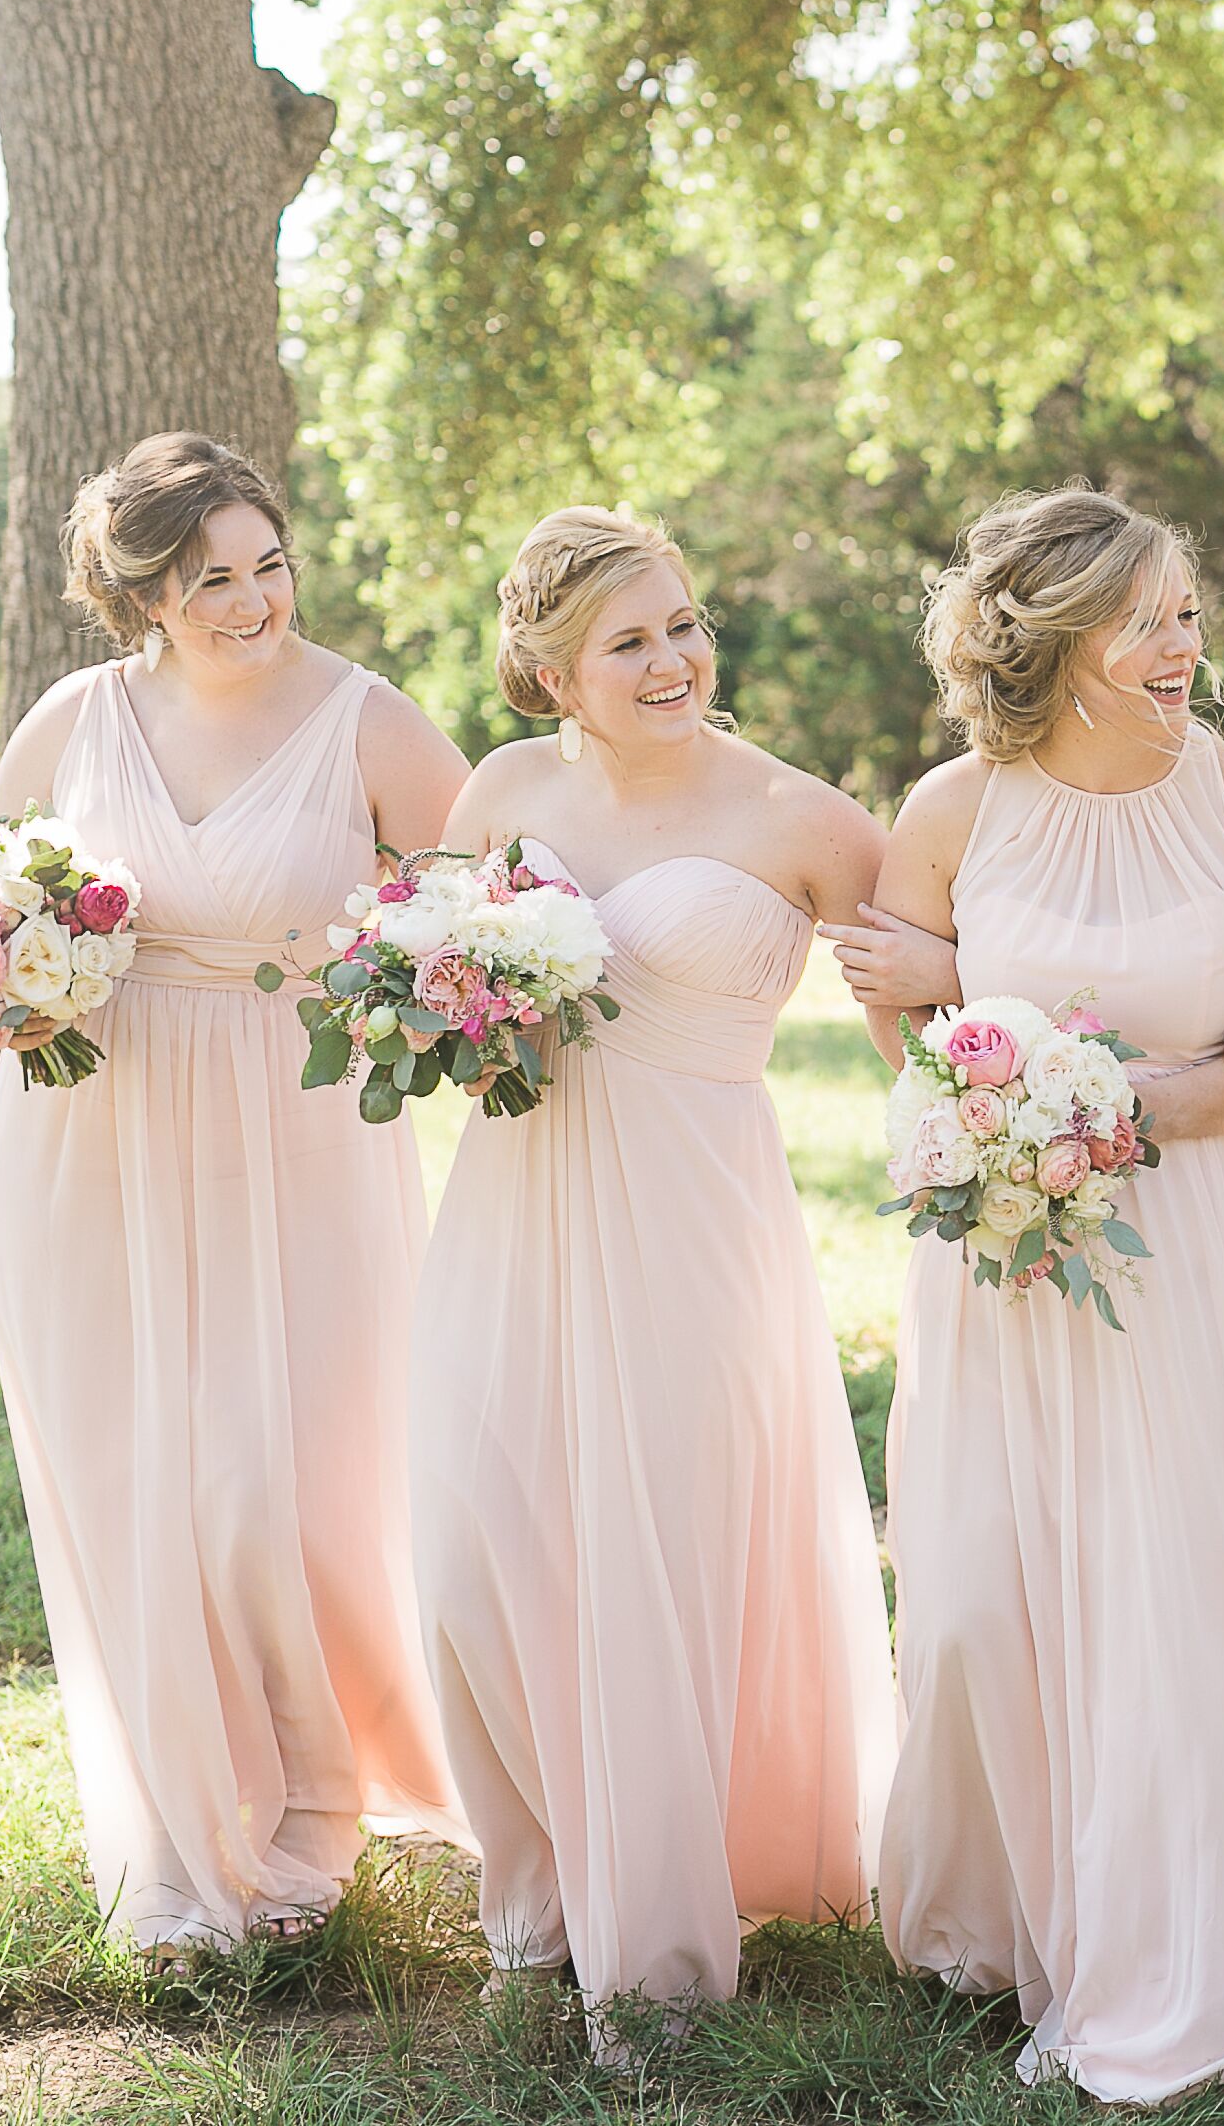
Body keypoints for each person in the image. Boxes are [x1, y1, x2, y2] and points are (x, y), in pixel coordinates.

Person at [836, 485, 1224, 2102]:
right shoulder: (952, 807)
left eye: (1186, 612)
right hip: (1002, 1257)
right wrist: (998, 1099)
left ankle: (1156, 1943)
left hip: (1189, 1252)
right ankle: (1004, 1910)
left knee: (1163, 1589)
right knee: (989, 1590)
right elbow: (903, 1022)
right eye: (1146, 620)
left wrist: (1155, 1102)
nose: (1182, 644)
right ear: (1055, 640)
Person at [407, 507, 895, 2049]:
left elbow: (934, 1044)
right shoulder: (502, 792)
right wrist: (430, 1007)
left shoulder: (805, 819)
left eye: (683, 623)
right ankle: (542, 1878)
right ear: (551, 673)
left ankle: (656, 1952)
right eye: (631, 641)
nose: (675, 657)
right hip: (515, 1200)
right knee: (480, 1535)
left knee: (659, 1547)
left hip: (696, 1217)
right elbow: (435, 981)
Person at [0, 431, 464, 1960]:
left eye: (267, 566)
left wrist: (415, 988)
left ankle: (319, 1801)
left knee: (274, 1481)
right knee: (148, 1475)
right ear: (144, 595)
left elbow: (495, 897)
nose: (253, 601)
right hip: (94, 1130)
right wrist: (10, 988)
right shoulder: (79, 719)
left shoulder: (366, 720)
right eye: (211, 581)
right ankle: (195, 1805)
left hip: (298, 1121)